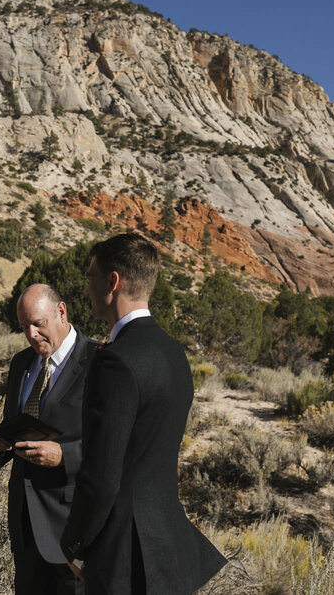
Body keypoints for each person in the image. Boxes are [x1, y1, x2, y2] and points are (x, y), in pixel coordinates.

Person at [61, 233, 226, 594]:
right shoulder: (173, 353)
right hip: (168, 548)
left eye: (90, 276)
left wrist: (74, 545)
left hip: (124, 557)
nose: (86, 287)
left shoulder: (116, 361)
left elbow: (102, 475)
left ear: (112, 281)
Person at [0, 284, 97, 594]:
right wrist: (0, 443)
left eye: (38, 323)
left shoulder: (99, 362)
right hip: (25, 524)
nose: (31, 334)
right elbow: (17, 424)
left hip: (73, 528)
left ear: (61, 312)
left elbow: (115, 443)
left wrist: (65, 456)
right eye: (24, 327)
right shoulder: (21, 362)